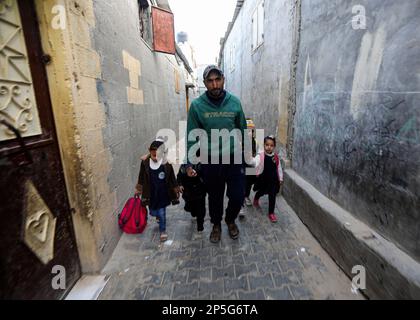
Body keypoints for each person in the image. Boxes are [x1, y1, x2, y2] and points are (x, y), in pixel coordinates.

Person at [185, 65, 248, 243]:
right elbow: (192, 135)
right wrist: (189, 162)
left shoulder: (234, 102)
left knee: (237, 195)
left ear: (223, 79)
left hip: (234, 158)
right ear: (204, 83)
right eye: (210, 81)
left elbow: (243, 129)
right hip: (210, 160)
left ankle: (230, 219)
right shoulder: (197, 106)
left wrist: (250, 154)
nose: (214, 84)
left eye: (217, 79)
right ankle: (216, 224)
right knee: (215, 197)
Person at [136, 140, 180, 242]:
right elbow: (141, 176)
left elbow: (172, 177)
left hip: (163, 193)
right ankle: (157, 216)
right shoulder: (145, 163)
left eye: (158, 153)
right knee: (152, 212)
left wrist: (176, 188)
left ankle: (163, 230)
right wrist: (138, 189)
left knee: (161, 212)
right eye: (153, 152)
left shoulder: (166, 164)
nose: (155, 155)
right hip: (151, 193)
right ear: (149, 151)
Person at [252, 135, 284, 223]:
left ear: (274, 146)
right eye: (267, 145)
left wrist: (280, 178)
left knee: (272, 196)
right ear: (264, 145)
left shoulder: (275, 157)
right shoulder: (261, 156)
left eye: (271, 145)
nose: (269, 147)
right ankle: (256, 197)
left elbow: (279, 168)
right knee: (261, 191)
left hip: (273, 181)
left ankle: (271, 213)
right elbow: (255, 162)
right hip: (263, 180)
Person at [177, 150, 206, 238]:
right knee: (191, 208)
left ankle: (200, 228)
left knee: (201, 210)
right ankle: (193, 213)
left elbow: (207, 177)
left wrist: (198, 176)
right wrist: (180, 185)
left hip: (200, 193)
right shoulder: (184, 167)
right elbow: (179, 176)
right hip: (188, 193)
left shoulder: (204, 165)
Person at [239, 118, 260, 218]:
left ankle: (246, 196)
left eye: (251, 130)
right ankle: (240, 204)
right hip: (241, 164)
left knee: (249, 182)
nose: (249, 133)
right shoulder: (239, 142)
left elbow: (257, 153)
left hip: (250, 164)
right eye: (246, 130)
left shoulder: (255, 142)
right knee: (241, 183)